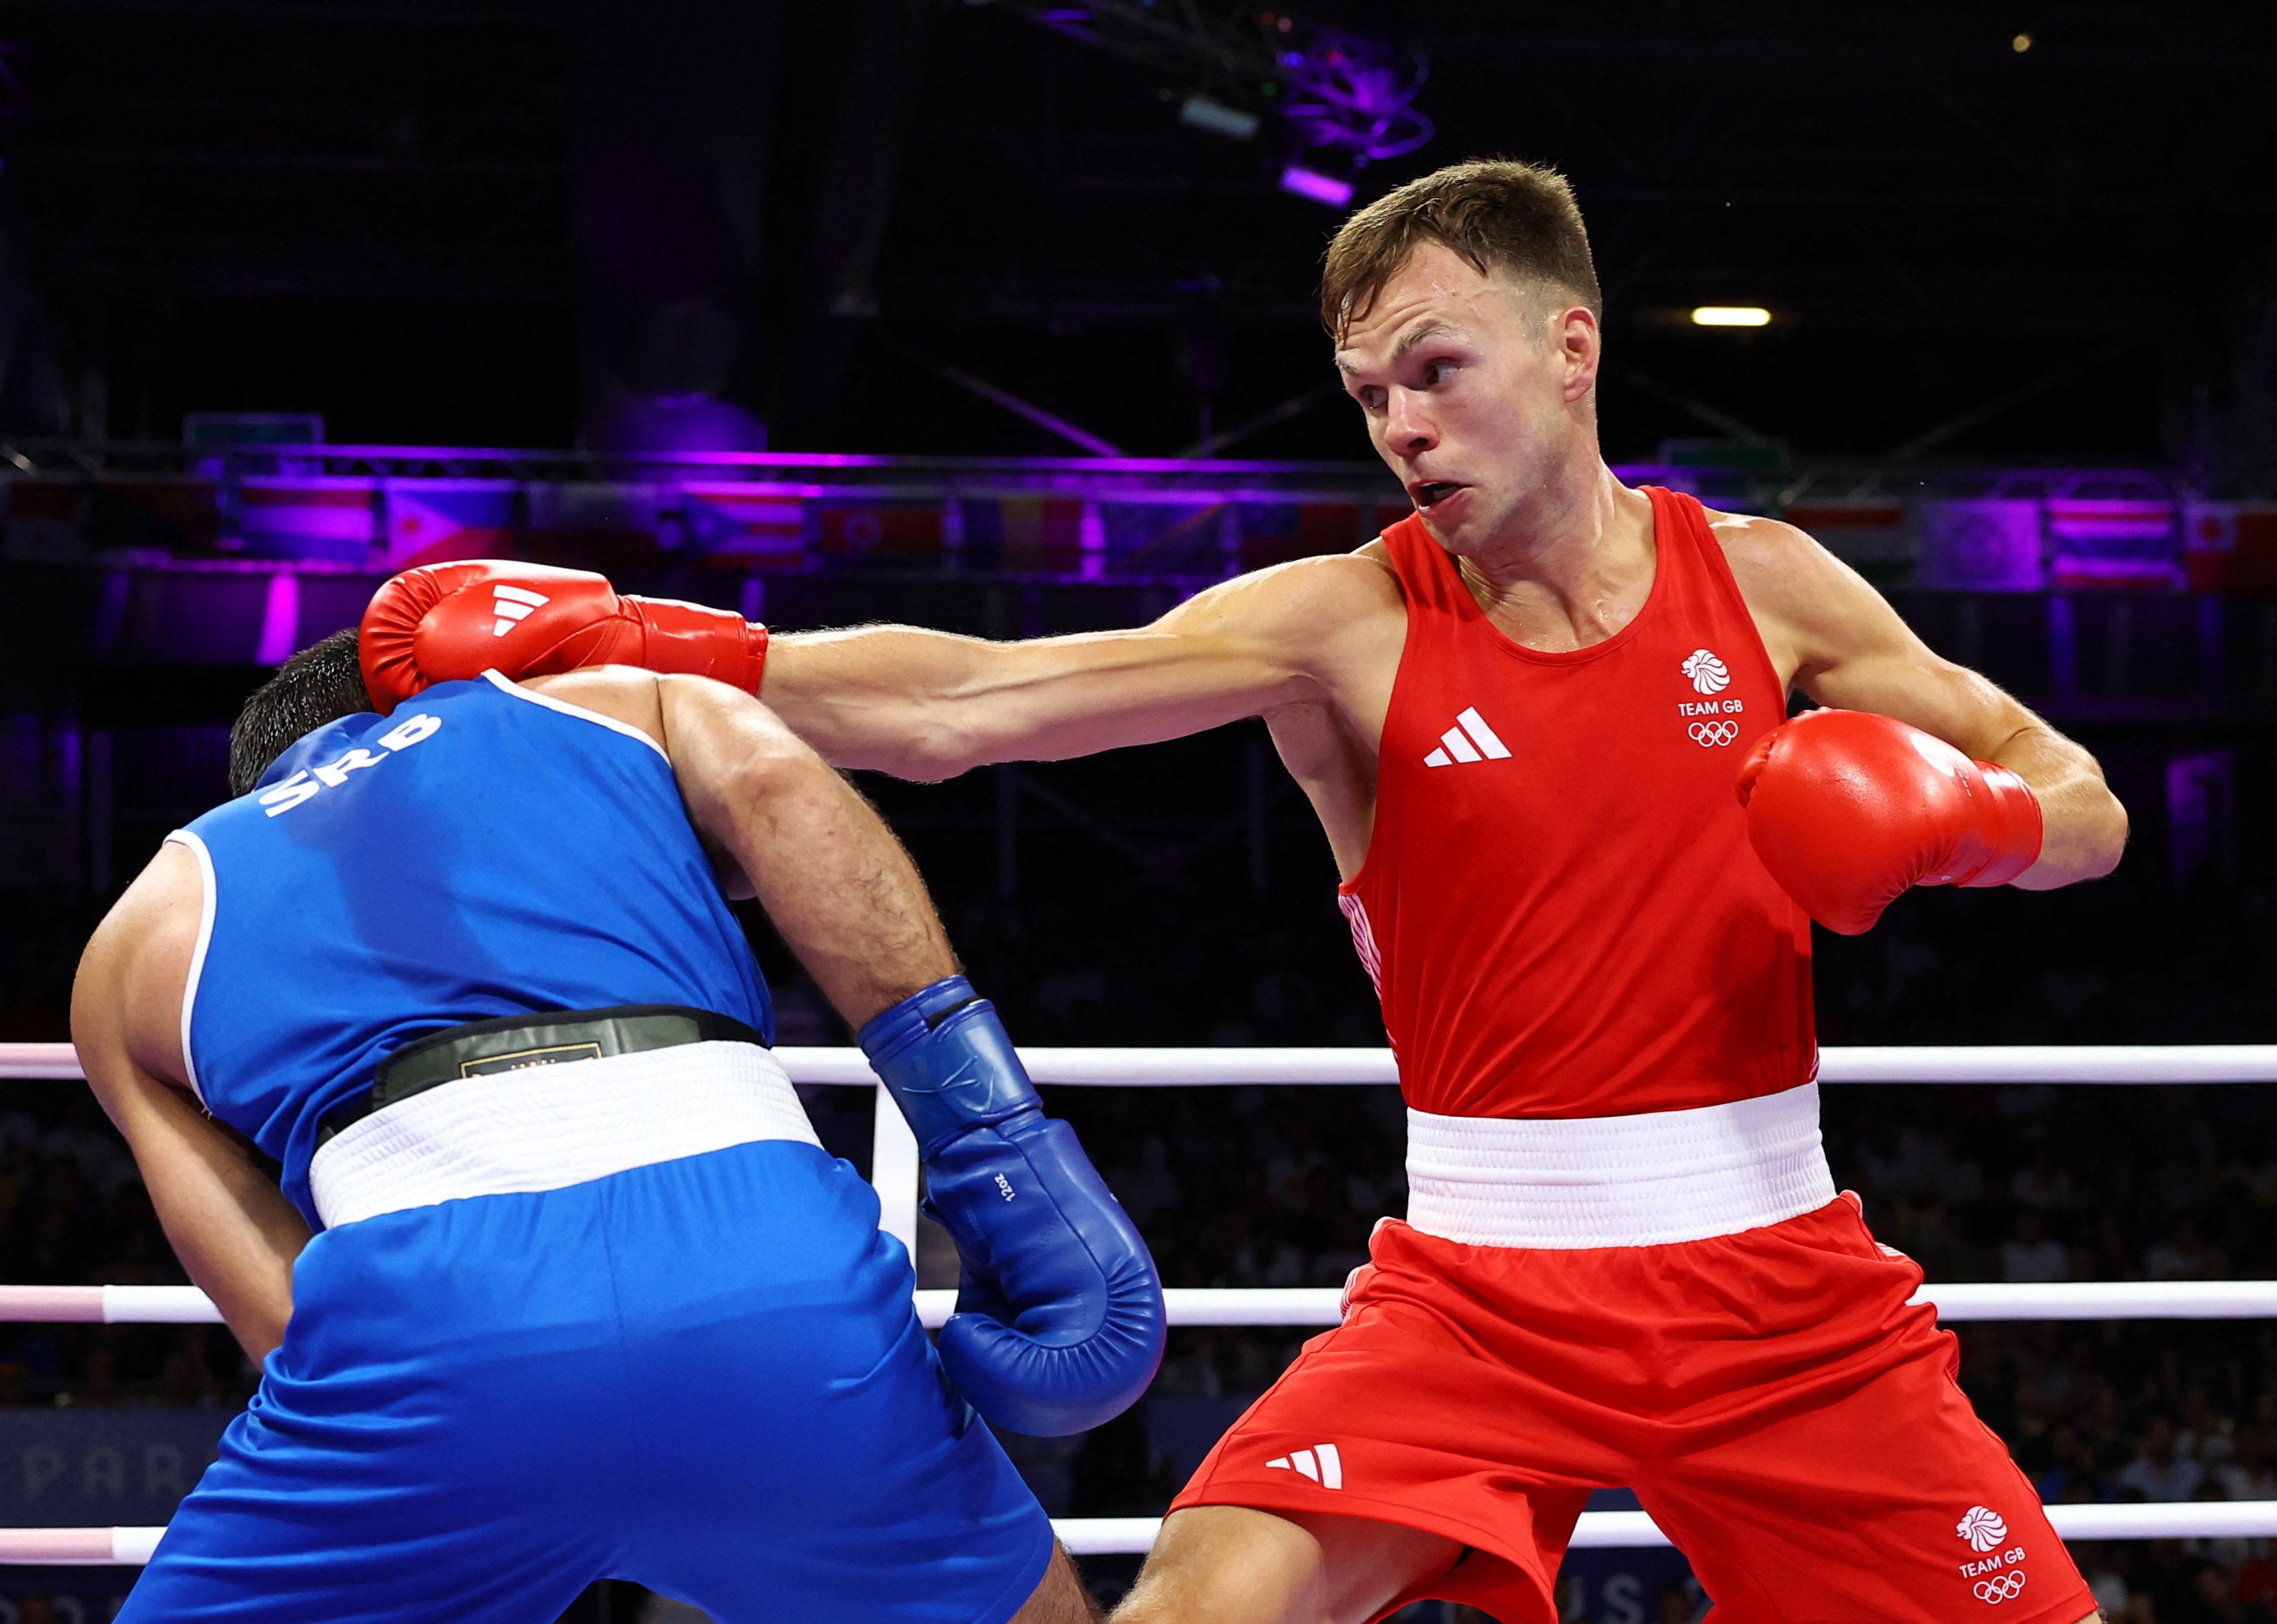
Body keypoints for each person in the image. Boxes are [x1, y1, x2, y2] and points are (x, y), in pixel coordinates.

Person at [364, 157, 2128, 1624]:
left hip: (1783, 1304)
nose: (1401, 427)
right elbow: (964, 706)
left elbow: (2083, 801)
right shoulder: (1343, 626)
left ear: (1571, 345)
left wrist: (1963, 825)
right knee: (1200, 1607)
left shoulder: (1767, 583)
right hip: (1481, 1299)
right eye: (1369, 395)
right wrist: (659, 647)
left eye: (1436, 370)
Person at [70, 629, 1165, 1622]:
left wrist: (504, 1471)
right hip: (766, 1259)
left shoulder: (142, 928)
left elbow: (277, 1312)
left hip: (436, 1325)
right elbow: (786, 790)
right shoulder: (610, 702)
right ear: (436, 692)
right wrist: (996, 1150)